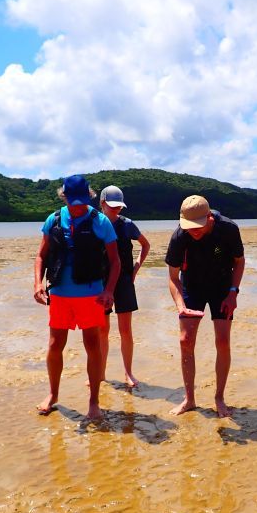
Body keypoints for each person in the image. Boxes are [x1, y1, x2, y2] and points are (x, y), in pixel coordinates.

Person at [33, 175, 121, 420]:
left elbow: (115, 262)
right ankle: (53, 394)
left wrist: (109, 291)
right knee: (54, 345)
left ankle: (94, 402)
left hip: (91, 295)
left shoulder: (100, 221)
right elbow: (41, 257)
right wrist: (38, 282)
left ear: (90, 197)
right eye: (74, 201)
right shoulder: (53, 220)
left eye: (83, 201)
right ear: (65, 197)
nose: (78, 206)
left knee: (92, 345)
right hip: (60, 293)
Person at [165, 195, 245, 418]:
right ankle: (189, 399)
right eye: (189, 227)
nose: (194, 231)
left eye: (198, 226)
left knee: (222, 340)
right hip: (192, 286)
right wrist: (180, 305)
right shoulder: (180, 236)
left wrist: (233, 292)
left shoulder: (228, 229)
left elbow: (239, 262)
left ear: (209, 217)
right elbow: (173, 277)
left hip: (222, 286)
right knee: (185, 340)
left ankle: (219, 397)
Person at [96, 185, 151, 388]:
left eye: (119, 207)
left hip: (124, 281)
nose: (117, 210)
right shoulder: (95, 224)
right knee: (102, 330)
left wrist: (136, 268)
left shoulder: (127, 225)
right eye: (113, 206)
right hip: (101, 282)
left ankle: (128, 373)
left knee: (125, 330)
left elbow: (146, 245)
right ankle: (100, 373)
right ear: (102, 203)